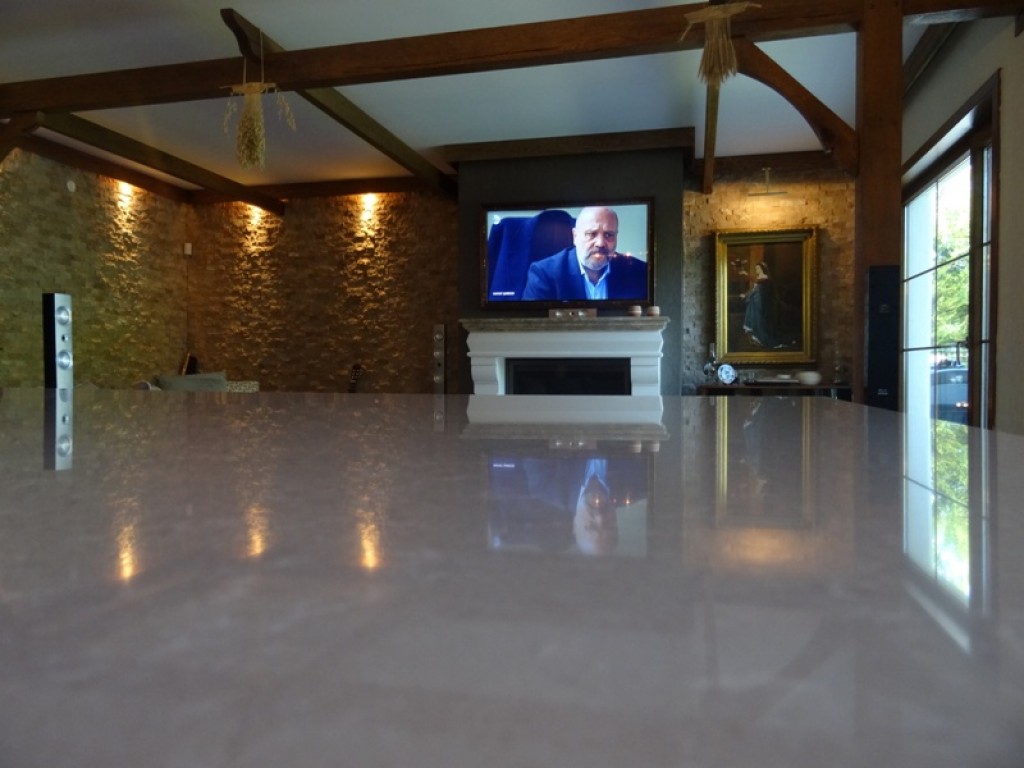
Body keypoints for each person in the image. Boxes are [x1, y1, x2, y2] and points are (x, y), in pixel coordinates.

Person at [521, 206, 647, 301]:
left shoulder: (639, 273)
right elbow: (534, 325)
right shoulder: (544, 274)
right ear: (575, 236)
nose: (600, 243)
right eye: (591, 234)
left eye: (609, 235)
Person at [742, 261, 778, 347]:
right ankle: (755, 338)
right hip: (754, 302)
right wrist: (746, 294)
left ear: (762, 268)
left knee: (758, 320)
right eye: (756, 268)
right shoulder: (758, 278)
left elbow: (758, 283)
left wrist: (746, 274)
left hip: (760, 303)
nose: (756, 270)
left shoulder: (765, 277)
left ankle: (760, 338)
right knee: (753, 319)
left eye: (758, 268)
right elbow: (754, 289)